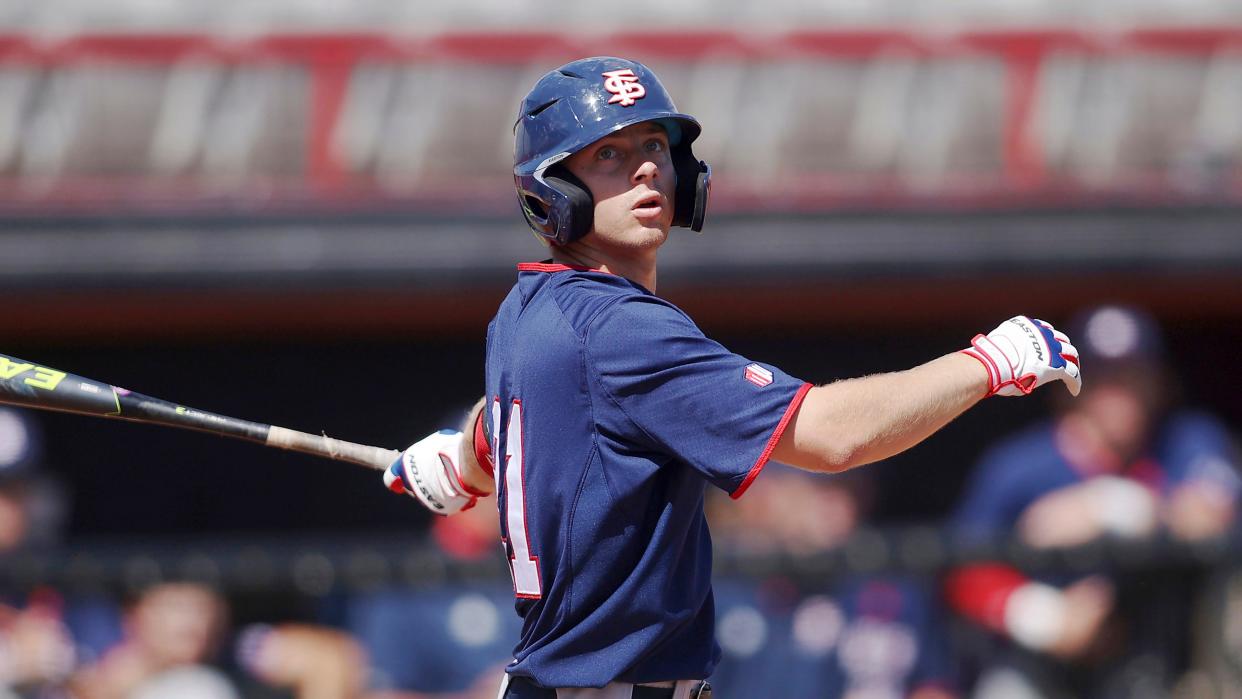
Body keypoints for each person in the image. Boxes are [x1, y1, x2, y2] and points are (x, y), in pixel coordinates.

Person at [381, 56, 1083, 699]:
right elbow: (833, 437)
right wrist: (988, 362)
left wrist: (469, 453)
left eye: (655, 147)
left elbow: (521, 410)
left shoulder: (524, 308)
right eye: (608, 155)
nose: (646, 170)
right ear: (552, 188)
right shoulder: (625, 329)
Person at [945, 304, 1241, 698]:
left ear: (1159, 382)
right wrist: (1042, 615)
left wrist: (1117, 505)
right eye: (1106, 379)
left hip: (1151, 654)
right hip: (1039, 654)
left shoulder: (1186, 439)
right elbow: (958, 569)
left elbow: (1210, 517)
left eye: (1135, 376)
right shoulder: (1019, 465)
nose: (1122, 394)